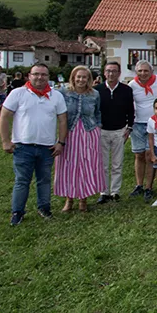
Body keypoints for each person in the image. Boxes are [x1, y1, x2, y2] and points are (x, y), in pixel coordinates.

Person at [0, 63, 68, 225]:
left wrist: (61, 142)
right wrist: (5, 141)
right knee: (22, 181)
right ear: (29, 76)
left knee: (44, 180)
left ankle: (44, 208)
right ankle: (17, 212)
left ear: (48, 77)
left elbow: (63, 120)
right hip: (23, 146)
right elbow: (4, 116)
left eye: (43, 74)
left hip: (47, 147)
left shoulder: (56, 96)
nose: (39, 77)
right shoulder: (18, 93)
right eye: (36, 74)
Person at [54, 65, 103, 213]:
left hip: (89, 133)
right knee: (69, 165)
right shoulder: (63, 93)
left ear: (89, 79)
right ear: (73, 78)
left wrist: (98, 127)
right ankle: (69, 199)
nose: (81, 80)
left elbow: (97, 112)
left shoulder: (94, 94)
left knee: (86, 165)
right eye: (79, 77)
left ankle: (83, 198)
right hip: (69, 133)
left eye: (84, 77)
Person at [94, 61, 134, 204]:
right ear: (104, 73)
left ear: (119, 73)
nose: (111, 74)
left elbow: (130, 110)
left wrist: (129, 127)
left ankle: (115, 191)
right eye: (108, 71)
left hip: (119, 130)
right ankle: (103, 192)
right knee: (103, 164)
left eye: (114, 71)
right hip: (102, 130)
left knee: (117, 163)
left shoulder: (126, 90)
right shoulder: (97, 90)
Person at [128, 60, 157, 202]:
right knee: (139, 155)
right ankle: (139, 185)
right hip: (137, 123)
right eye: (140, 71)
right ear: (136, 72)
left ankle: (149, 186)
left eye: (146, 71)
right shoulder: (132, 85)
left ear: (152, 71)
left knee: (150, 155)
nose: (143, 73)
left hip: (154, 123)